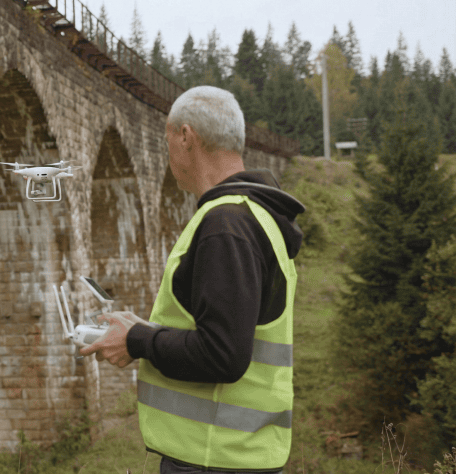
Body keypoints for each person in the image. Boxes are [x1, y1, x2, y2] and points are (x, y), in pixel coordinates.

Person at [80, 86, 305, 474]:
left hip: (213, 457)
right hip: (235, 453)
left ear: (186, 137)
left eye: (168, 140)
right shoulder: (255, 215)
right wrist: (150, 331)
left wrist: (137, 341)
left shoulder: (226, 225)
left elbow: (222, 354)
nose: (168, 155)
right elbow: (225, 326)